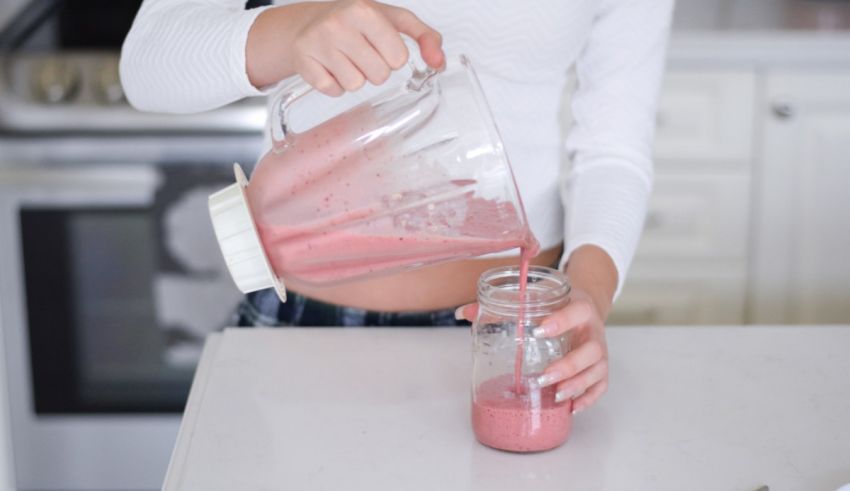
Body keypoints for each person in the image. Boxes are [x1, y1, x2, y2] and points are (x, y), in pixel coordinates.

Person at [120, 0, 674, 415]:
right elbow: (146, 64)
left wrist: (590, 292)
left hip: (516, 331)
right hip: (308, 328)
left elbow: (613, 149)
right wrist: (290, 31)